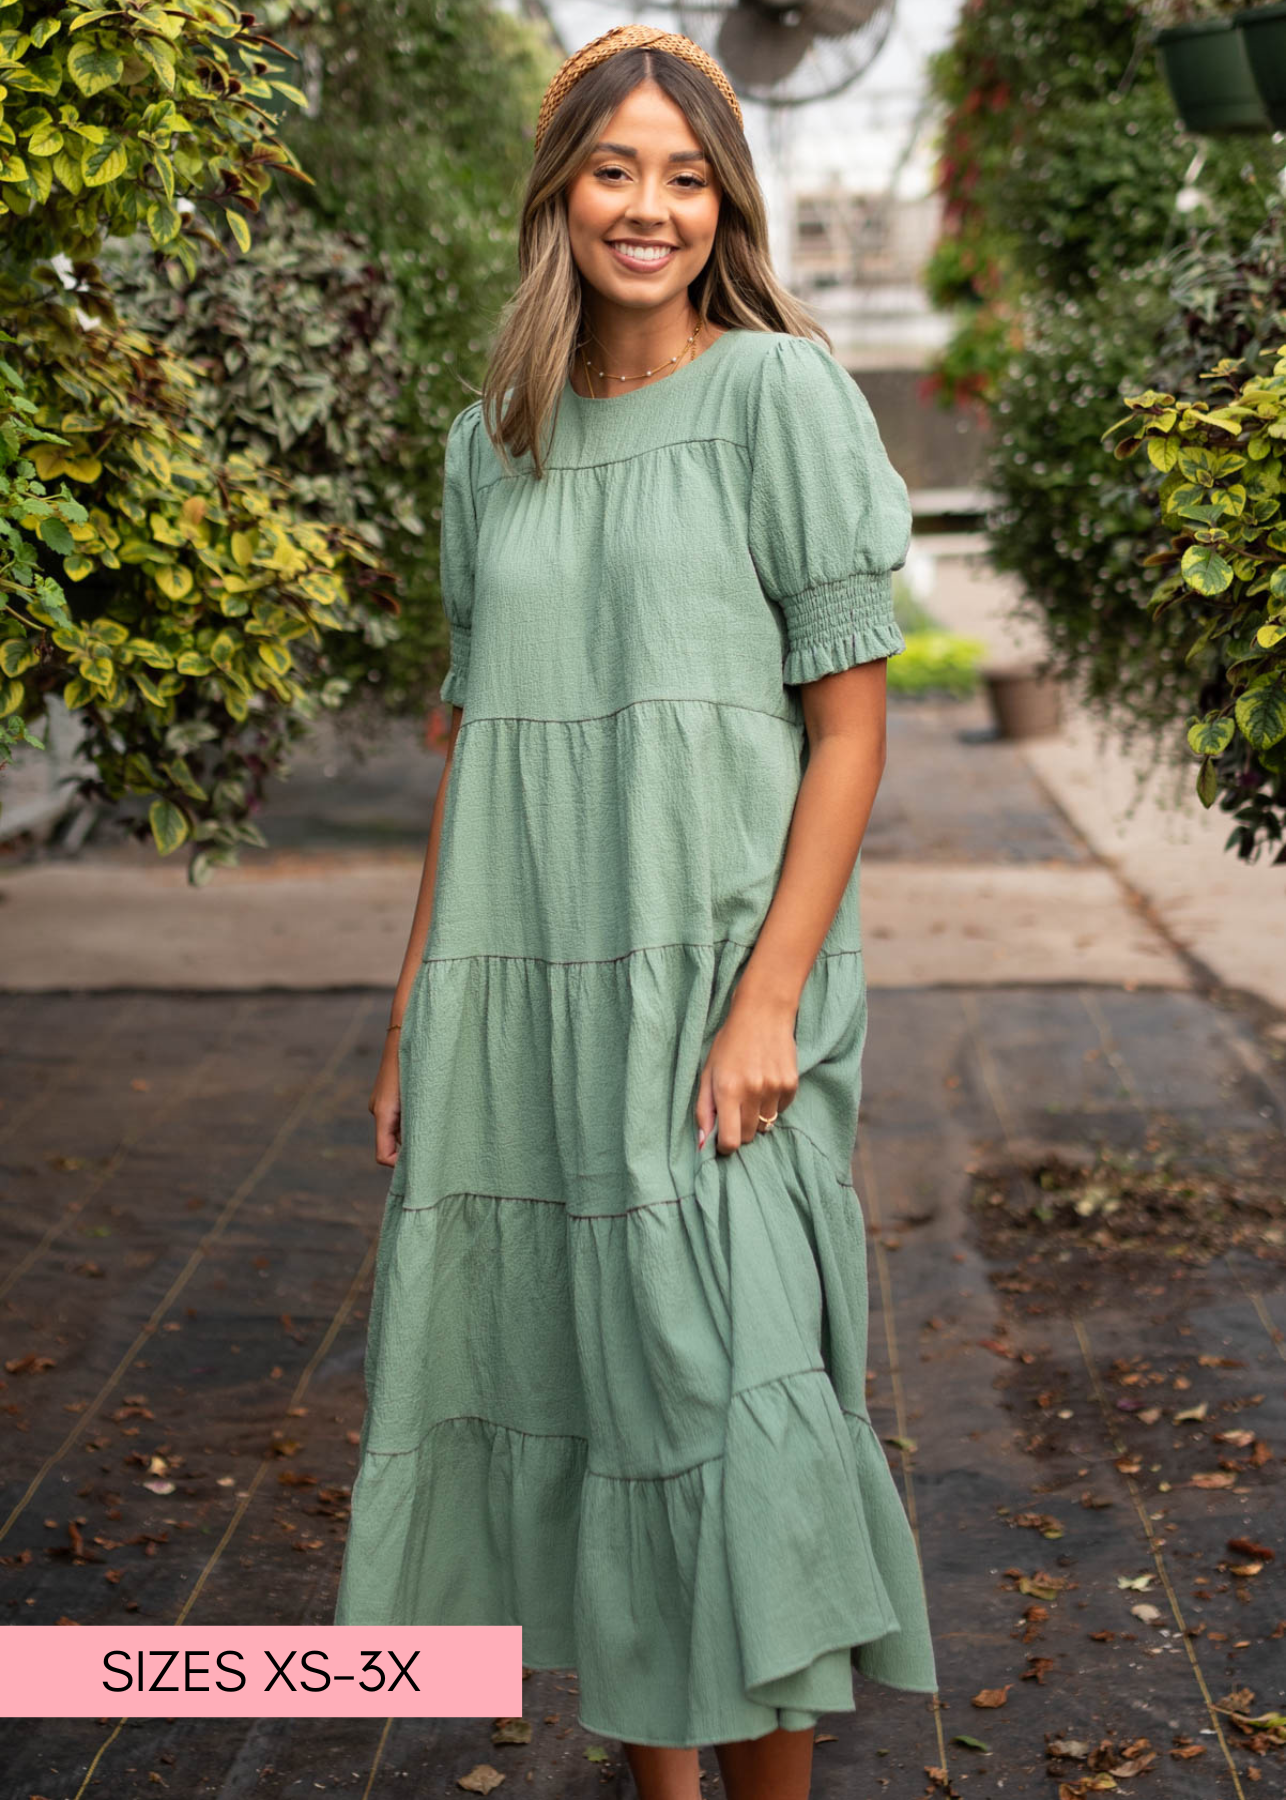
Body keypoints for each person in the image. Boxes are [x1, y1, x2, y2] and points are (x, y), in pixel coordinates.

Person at [336, 22, 937, 1799]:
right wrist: (412, 1005)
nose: (648, 208)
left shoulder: (779, 395)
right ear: (559, 193)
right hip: (520, 998)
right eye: (615, 170)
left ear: (723, 199)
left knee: (720, 1407)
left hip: (715, 996)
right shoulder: (486, 446)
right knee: (589, 1391)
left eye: (685, 175)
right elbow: (474, 746)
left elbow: (848, 732)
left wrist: (765, 1003)